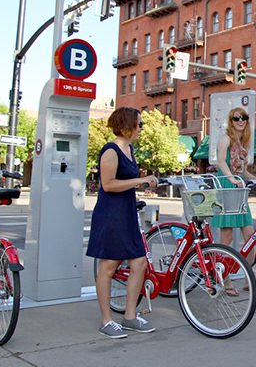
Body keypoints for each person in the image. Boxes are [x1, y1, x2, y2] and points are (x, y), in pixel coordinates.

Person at [87, 107, 158, 339]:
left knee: (139, 263)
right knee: (108, 267)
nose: (141, 128)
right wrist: (140, 179)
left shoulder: (129, 149)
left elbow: (126, 181)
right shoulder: (111, 150)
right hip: (111, 214)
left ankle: (129, 317)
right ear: (127, 125)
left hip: (127, 212)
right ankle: (106, 320)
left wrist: (143, 182)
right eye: (139, 124)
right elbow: (108, 185)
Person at [212, 107, 256, 295]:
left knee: (250, 237)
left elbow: (243, 171)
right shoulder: (226, 139)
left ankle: (249, 279)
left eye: (244, 118)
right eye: (236, 118)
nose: (240, 120)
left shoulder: (243, 143)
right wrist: (231, 178)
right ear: (231, 121)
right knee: (227, 238)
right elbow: (221, 162)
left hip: (239, 189)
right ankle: (225, 280)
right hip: (226, 187)